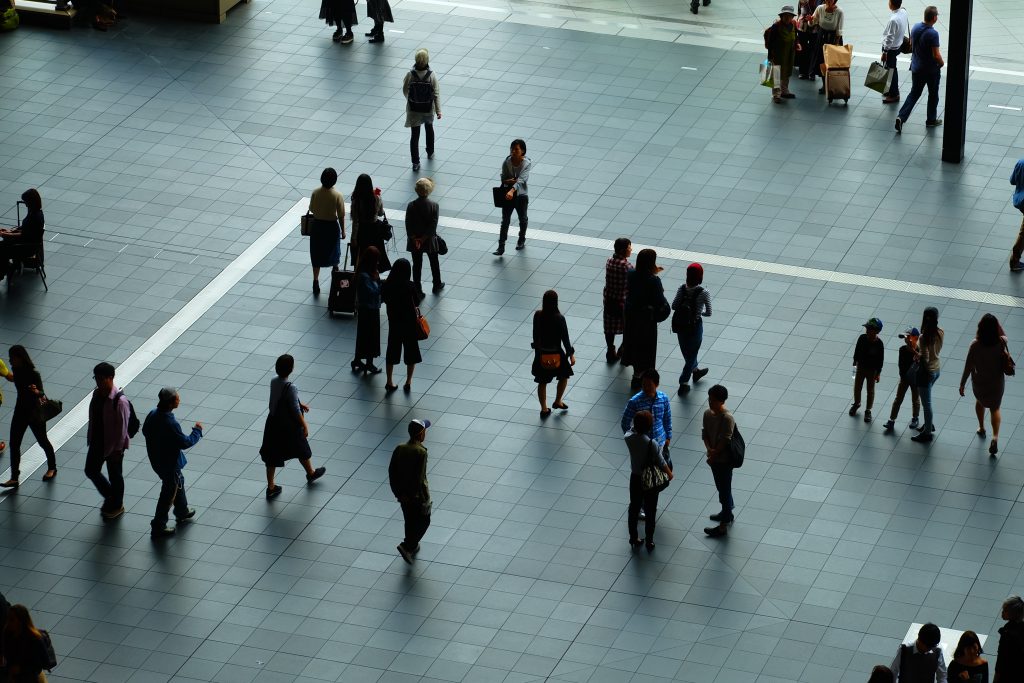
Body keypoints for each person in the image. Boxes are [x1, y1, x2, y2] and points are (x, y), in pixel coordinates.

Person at [259, 354, 327, 500]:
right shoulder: (292, 387)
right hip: (288, 426)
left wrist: (299, 403)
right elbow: (295, 411)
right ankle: (311, 472)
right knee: (300, 446)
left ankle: (271, 487)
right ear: (291, 369)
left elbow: (280, 398)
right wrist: (305, 424)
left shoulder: (273, 380)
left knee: (272, 455)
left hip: (272, 423)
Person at [142, 388, 202, 539]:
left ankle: (182, 510)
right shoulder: (170, 422)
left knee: (178, 481)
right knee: (168, 492)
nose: (179, 400)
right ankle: (158, 525)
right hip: (169, 463)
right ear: (170, 403)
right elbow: (184, 442)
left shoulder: (152, 413)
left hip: (157, 460)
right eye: (177, 398)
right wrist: (197, 431)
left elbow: (145, 431)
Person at [0, 346, 57, 488]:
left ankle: (52, 467)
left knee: (42, 440)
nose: (10, 360)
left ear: (20, 358)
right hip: (20, 411)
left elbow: (41, 393)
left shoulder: (33, 374)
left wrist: (36, 390)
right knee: (14, 444)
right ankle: (14, 477)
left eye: (12, 357)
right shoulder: (16, 371)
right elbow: (13, 379)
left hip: (34, 413)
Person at [960, 313, 1010, 456]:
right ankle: (995, 437)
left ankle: (981, 427)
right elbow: (1002, 333)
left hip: (979, 382)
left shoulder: (975, 345)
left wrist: (962, 383)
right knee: (995, 409)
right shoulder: (1002, 341)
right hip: (996, 383)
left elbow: (968, 366)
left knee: (979, 402)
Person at [85, 362, 129, 518]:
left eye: (101, 378)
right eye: (96, 378)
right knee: (90, 470)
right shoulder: (96, 394)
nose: (98, 382)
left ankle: (117, 504)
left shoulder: (120, 401)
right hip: (97, 441)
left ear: (111, 378)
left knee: (115, 476)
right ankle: (112, 497)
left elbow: (122, 429)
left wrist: (117, 449)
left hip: (113, 447)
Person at [621, 249, 668, 391]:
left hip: (631, 317)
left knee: (633, 343)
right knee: (646, 348)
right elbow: (659, 300)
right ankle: (641, 376)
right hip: (646, 320)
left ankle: (636, 373)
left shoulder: (631, 274)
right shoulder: (654, 281)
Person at [625, 410, 672, 551]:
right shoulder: (651, 443)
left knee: (634, 508)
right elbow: (661, 462)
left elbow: (630, 429)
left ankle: (634, 537)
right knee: (651, 511)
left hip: (635, 478)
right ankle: (649, 540)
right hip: (650, 480)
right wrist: (670, 474)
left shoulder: (628, 437)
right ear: (649, 427)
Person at [895, 6, 944, 134]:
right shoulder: (933, 34)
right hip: (931, 71)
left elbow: (911, 44)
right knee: (933, 95)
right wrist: (942, 63)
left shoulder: (916, 27)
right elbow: (936, 55)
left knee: (914, 94)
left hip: (916, 68)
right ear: (934, 18)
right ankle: (931, 120)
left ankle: (901, 117)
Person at [389, 418, 432, 564]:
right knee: (424, 521)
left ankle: (410, 546)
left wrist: (399, 494)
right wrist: (416, 496)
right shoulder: (421, 452)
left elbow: (392, 472)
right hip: (417, 497)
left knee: (409, 520)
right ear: (421, 435)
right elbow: (419, 478)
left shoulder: (399, 448)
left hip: (402, 495)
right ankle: (408, 546)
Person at [531, 290, 576, 418]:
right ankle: (558, 401)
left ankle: (544, 409)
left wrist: (538, 351)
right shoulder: (559, 318)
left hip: (541, 354)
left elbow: (535, 335)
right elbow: (565, 339)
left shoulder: (538, 315)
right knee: (564, 376)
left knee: (542, 382)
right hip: (557, 354)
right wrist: (571, 354)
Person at [381, 258, 421, 393]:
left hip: (394, 322)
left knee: (392, 351)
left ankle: (389, 381)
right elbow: (417, 301)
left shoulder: (387, 285)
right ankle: (408, 381)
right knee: (411, 352)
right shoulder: (410, 285)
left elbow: (384, 299)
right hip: (409, 323)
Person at [672, 262, 712, 394]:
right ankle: (683, 382)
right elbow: (709, 312)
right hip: (695, 326)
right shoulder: (704, 292)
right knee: (692, 353)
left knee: (687, 351)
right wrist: (700, 312)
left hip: (681, 325)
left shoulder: (681, 288)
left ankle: (696, 372)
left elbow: (674, 305)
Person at [621, 369, 673, 469]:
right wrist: (634, 439)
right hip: (643, 445)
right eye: (644, 384)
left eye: (649, 385)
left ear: (656, 384)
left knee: (659, 470)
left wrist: (668, 437)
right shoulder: (635, 401)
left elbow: (667, 419)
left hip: (660, 442)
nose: (645, 387)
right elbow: (625, 423)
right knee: (644, 471)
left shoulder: (663, 398)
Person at [703, 384, 736, 538]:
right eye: (709, 399)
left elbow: (726, 440)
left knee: (724, 489)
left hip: (724, 460)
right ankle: (727, 512)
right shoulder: (707, 414)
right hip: (714, 458)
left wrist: (713, 453)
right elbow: (705, 434)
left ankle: (723, 526)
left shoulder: (728, 418)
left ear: (722, 401)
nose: (710, 403)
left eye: (714, 401)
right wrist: (710, 450)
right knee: (721, 487)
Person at [308, 168, 346, 295]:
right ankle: (335, 281)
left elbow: (312, 208)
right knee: (334, 255)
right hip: (331, 228)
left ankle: (315, 281)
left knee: (316, 255)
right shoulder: (337, 195)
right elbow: (341, 215)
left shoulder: (315, 192)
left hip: (317, 227)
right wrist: (343, 231)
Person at [403, 49, 442, 173]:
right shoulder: (431, 75)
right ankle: (430, 151)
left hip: (414, 110)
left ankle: (415, 162)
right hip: (427, 109)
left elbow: (405, 90)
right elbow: (436, 94)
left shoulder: (410, 75)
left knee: (414, 136)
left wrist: (412, 100)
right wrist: (438, 110)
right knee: (429, 128)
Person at [405, 177, 443, 298]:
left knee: (417, 265)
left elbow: (408, 224)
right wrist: (423, 238)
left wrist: (415, 239)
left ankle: (418, 289)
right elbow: (433, 225)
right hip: (429, 240)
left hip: (414, 241)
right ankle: (436, 283)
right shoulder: (434, 206)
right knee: (434, 262)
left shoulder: (411, 205)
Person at [493, 139, 531, 256]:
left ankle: (521, 239)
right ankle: (501, 246)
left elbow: (521, 180)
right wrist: (509, 181)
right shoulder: (507, 162)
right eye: (512, 149)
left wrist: (512, 188)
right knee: (505, 220)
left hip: (521, 195)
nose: (513, 151)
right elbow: (503, 178)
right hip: (507, 195)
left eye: (516, 149)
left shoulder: (526, 163)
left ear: (522, 151)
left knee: (522, 218)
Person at [912, 306, 943, 443]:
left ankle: (927, 432)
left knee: (926, 404)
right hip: (936, 370)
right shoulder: (940, 332)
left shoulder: (924, 337)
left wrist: (914, 352)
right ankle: (928, 424)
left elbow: (925, 357)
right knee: (927, 402)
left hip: (926, 373)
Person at [0, 189, 44, 283]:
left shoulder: (34, 217)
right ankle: (6, 268)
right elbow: (26, 229)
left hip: (26, 247)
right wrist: (11, 232)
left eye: (26, 202)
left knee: (2, 248)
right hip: (28, 243)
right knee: (2, 245)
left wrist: (6, 234)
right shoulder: (36, 213)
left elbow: (24, 235)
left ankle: (6, 269)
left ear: (31, 201)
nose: (26, 205)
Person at [883, 327, 921, 432]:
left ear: (915, 338)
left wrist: (914, 352)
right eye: (906, 337)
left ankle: (915, 418)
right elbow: (901, 365)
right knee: (898, 399)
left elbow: (922, 362)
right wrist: (903, 376)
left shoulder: (919, 350)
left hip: (915, 379)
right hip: (904, 378)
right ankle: (891, 420)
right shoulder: (902, 349)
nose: (906, 339)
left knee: (915, 399)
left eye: (908, 337)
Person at [353, 246, 383, 376]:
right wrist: (381, 284)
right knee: (371, 336)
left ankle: (358, 360)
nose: (378, 262)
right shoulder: (366, 276)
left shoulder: (364, 273)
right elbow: (373, 292)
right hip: (370, 310)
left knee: (363, 335)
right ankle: (369, 363)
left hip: (366, 309)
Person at [350, 174, 389, 273]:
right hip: (375, 230)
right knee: (375, 255)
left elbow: (355, 221)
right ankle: (375, 275)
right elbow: (380, 213)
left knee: (361, 255)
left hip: (362, 231)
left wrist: (353, 238)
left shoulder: (356, 200)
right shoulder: (376, 197)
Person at [2, 604, 50, 683]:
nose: (8, 622)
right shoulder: (7, 633)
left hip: (30, 678)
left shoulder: (34, 639)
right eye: (8, 618)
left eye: (12, 619)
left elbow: (44, 663)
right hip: (14, 678)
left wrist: (21, 669)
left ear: (21, 621)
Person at [603, 237, 633, 363]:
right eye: (629, 247)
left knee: (609, 327)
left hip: (609, 300)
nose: (631, 249)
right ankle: (623, 349)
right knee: (629, 327)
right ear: (623, 250)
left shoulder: (609, 261)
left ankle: (610, 350)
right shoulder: (627, 266)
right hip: (622, 302)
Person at [764, 6, 801, 104]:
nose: (787, 18)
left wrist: (797, 43)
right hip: (778, 54)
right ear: (782, 16)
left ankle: (784, 91)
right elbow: (770, 42)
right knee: (776, 73)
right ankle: (776, 94)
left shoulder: (793, 24)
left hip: (789, 53)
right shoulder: (776, 26)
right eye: (785, 15)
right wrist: (770, 57)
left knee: (787, 71)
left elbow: (796, 36)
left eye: (789, 16)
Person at [850, 317, 884, 423]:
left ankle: (868, 410)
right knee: (857, 387)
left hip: (872, 370)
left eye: (870, 328)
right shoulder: (862, 338)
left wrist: (878, 373)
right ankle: (857, 403)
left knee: (870, 390)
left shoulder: (879, 344)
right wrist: (855, 362)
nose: (867, 330)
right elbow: (857, 350)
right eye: (867, 328)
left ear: (877, 331)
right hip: (860, 368)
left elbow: (880, 360)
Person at [808, 0, 844, 95]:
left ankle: (833, 85)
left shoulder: (839, 11)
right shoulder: (820, 8)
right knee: (822, 62)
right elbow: (812, 23)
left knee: (833, 63)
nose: (829, 0)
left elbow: (839, 30)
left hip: (834, 39)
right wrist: (810, 20)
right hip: (821, 37)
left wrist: (835, 45)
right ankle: (825, 85)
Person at [880, 0, 909, 104]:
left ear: (891, 4)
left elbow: (889, 37)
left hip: (891, 48)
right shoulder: (903, 12)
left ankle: (894, 94)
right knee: (890, 69)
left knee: (891, 70)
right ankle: (889, 90)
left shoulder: (894, 20)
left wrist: (885, 52)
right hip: (898, 44)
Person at [994, 596, 1024, 683]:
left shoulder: (1007, 633)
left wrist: (996, 679)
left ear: (1013, 613)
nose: (1002, 612)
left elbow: (1001, 660)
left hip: (1008, 675)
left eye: (1005, 610)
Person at [1009, 159, 1024, 272]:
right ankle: (1014, 261)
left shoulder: (1020, 163)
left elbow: (1012, 181)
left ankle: (1015, 261)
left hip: (1020, 201)